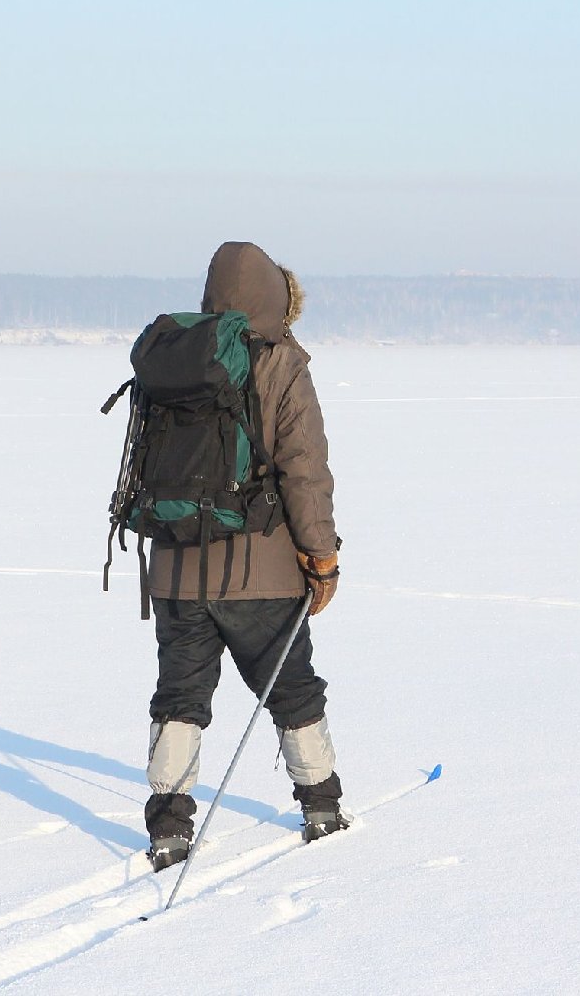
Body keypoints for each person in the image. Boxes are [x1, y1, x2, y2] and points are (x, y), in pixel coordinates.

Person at [143, 241, 345, 872]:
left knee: (180, 696)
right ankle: (321, 807)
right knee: (293, 691)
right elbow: (304, 471)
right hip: (263, 572)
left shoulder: (175, 358)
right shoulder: (283, 363)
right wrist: (321, 558)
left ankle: (169, 827)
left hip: (176, 568)